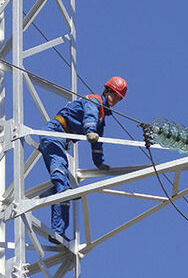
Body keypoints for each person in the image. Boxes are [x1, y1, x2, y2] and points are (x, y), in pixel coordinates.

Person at [39, 76, 128, 244]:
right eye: (115, 95)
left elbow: (97, 142)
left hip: (61, 139)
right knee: (60, 170)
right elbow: (90, 117)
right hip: (54, 133)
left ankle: (57, 231)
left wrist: (98, 162)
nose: (116, 100)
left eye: (118, 98)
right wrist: (89, 130)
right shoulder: (94, 102)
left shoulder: (101, 118)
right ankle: (53, 194)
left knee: (64, 190)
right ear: (107, 91)